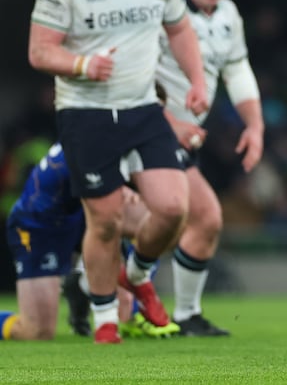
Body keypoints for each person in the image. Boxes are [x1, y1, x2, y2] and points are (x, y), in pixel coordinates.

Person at [27, 0, 208, 343]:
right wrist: (83, 64)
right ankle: (106, 319)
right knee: (105, 219)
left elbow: (180, 30)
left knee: (172, 208)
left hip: (142, 107)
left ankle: (137, 272)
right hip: (85, 112)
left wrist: (198, 82)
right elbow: (40, 51)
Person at [156, 0, 263, 336]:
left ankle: (183, 314)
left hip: (185, 141)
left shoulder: (228, 15)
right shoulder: (162, 12)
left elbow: (237, 71)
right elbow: (136, 75)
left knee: (199, 220)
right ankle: (98, 288)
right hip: (145, 131)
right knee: (188, 217)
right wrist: (170, 122)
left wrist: (254, 126)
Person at [0, 143, 178, 340]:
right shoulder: (89, 132)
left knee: (160, 220)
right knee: (36, 331)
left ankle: (104, 293)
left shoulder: (128, 128)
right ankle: (88, 283)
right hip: (40, 224)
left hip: (84, 211)